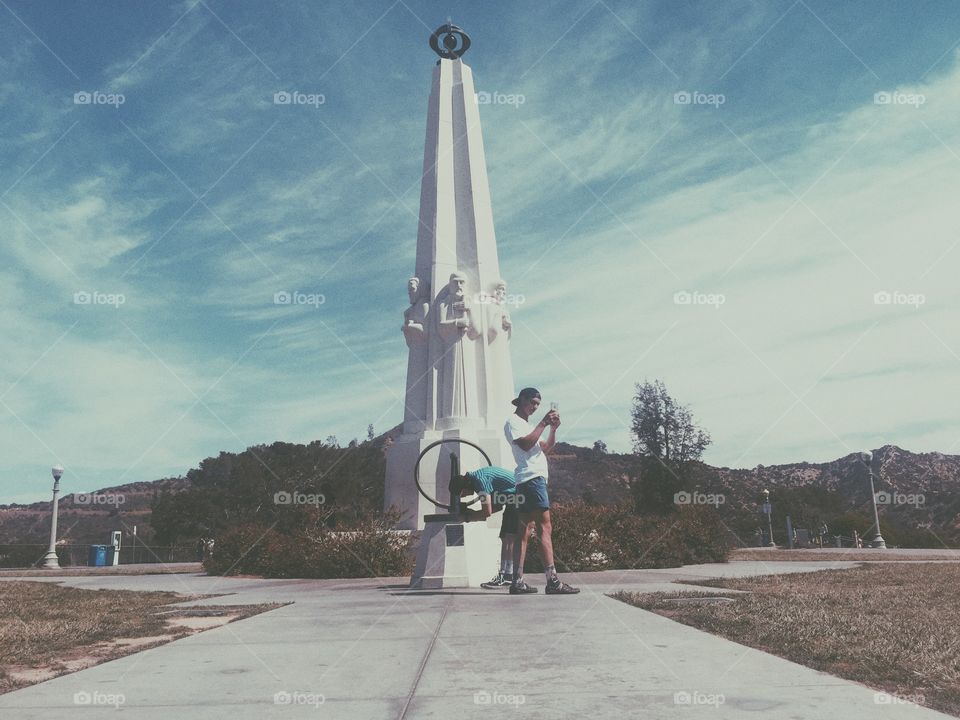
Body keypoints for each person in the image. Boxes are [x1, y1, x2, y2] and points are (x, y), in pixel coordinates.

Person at [504, 387, 579, 595]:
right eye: (532, 402)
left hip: (525, 481)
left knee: (524, 530)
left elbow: (544, 448)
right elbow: (526, 445)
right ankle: (552, 581)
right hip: (532, 479)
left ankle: (517, 581)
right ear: (521, 400)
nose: (535, 407)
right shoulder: (513, 422)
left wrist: (553, 430)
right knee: (544, 527)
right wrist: (544, 422)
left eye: (538, 404)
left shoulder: (527, 425)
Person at [449, 465, 521, 588]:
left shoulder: (480, 482)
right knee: (505, 537)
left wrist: (467, 517)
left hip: (518, 496)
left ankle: (508, 576)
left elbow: (487, 512)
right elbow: (495, 508)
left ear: (465, 487)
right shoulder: (477, 479)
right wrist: (472, 514)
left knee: (509, 538)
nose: (464, 497)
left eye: (462, 494)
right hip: (512, 498)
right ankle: (504, 575)